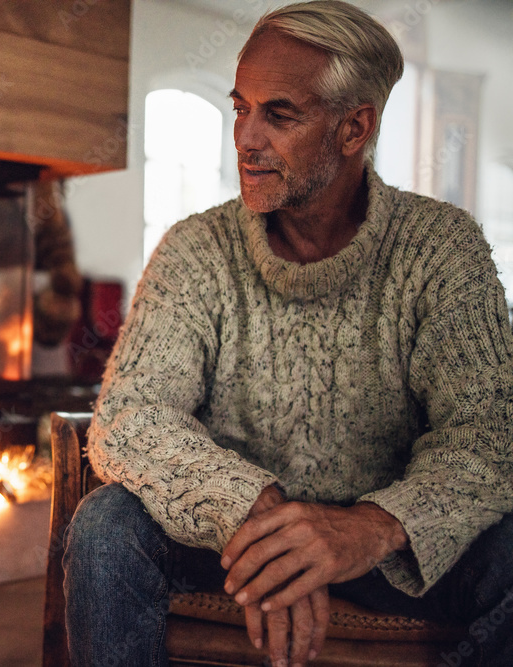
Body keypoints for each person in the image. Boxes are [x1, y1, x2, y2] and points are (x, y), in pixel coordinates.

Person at [62, 1, 513, 665]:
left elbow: (488, 434)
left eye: (278, 114)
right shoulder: (195, 250)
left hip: (387, 554)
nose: (244, 136)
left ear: (353, 129)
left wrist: (369, 526)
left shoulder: (442, 248)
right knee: (105, 526)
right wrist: (256, 514)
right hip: (229, 542)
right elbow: (130, 417)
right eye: (240, 106)